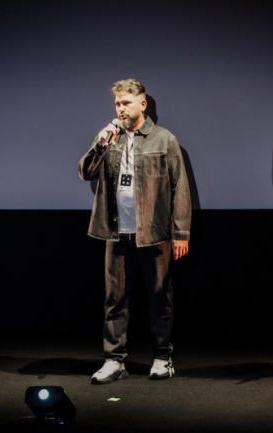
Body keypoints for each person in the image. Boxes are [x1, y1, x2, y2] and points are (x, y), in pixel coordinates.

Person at [78, 79, 191, 383]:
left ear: (142, 104)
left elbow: (180, 187)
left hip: (154, 234)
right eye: (117, 103)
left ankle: (162, 358)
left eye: (126, 102)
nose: (121, 108)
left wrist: (181, 233)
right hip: (117, 234)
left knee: (160, 298)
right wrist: (101, 145)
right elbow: (86, 172)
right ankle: (114, 361)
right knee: (114, 300)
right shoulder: (109, 138)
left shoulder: (164, 139)